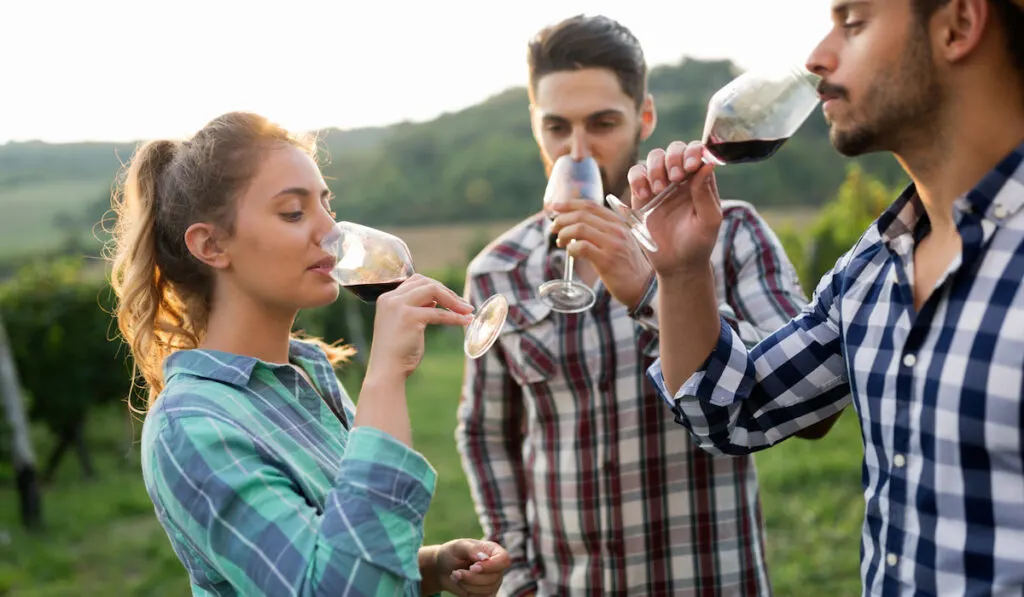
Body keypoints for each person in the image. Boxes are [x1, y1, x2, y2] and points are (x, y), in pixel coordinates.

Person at [629, 0, 1024, 595]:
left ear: (958, 25)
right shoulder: (872, 267)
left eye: (854, 22)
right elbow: (731, 412)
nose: (818, 57)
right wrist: (683, 272)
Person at [455, 14, 838, 597]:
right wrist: (519, 574)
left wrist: (656, 291)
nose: (576, 149)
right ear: (535, 126)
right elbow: (484, 432)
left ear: (645, 117)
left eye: (603, 122)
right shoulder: (496, 270)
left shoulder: (731, 234)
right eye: (556, 127)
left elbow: (810, 414)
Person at [108, 111, 511, 597]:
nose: (332, 233)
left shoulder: (305, 373)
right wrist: (384, 375)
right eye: (294, 213)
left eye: (327, 205)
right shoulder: (192, 426)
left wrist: (428, 567)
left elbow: (342, 544)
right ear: (211, 244)